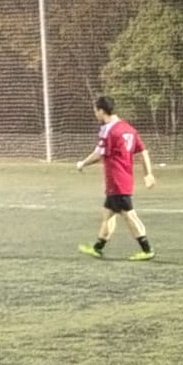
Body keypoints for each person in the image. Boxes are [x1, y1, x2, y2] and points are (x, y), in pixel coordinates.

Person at [76, 95, 157, 261]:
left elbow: (99, 154)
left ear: (101, 111)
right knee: (108, 214)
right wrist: (148, 173)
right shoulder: (128, 128)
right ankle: (97, 248)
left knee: (129, 215)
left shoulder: (109, 130)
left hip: (117, 181)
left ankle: (147, 249)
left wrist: (83, 163)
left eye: (95, 111)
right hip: (122, 179)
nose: (95, 114)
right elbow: (143, 151)